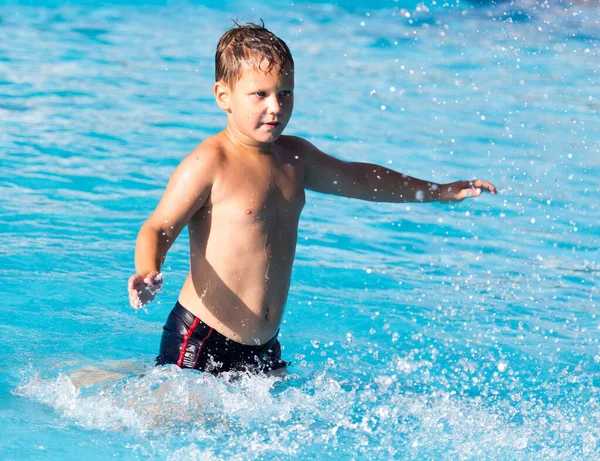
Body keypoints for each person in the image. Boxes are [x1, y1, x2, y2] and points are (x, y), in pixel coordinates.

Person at [127, 22, 496, 375]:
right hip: (202, 339)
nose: (275, 106)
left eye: (285, 93)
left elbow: (362, 179)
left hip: (264, 348)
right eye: (260, 94)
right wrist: (147, 269)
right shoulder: (210, 161)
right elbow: (158, 227)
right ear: (224, 96)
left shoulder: (295, 158)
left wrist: (439, 191)